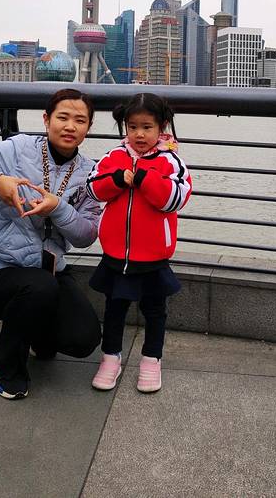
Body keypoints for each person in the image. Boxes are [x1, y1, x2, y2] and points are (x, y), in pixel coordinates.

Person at [0, 88, 101, 400]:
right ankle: (6, 367)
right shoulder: (17, 149)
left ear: (88, 128)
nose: (70, 126)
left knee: (84, 338)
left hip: (51, 274)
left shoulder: (91, 173)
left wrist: (58, 208)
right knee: (39, 288)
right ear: (46, 119)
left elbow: (86, 236)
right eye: (63, 117)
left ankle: (32, 329)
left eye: (80, 120)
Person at [86, 93, 192, 393]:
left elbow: (176, 199)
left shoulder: (171, 161)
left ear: (162, 127)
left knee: (155, 311)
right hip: (115, 255)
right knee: (114, 309)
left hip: (153, 257)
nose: (139, 134)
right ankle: (110, 358)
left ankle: (151, 359)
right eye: (132, 127)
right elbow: (93, 189)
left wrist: (145, 178)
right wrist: (118, 180)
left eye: (147, 127)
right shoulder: (113, 157)